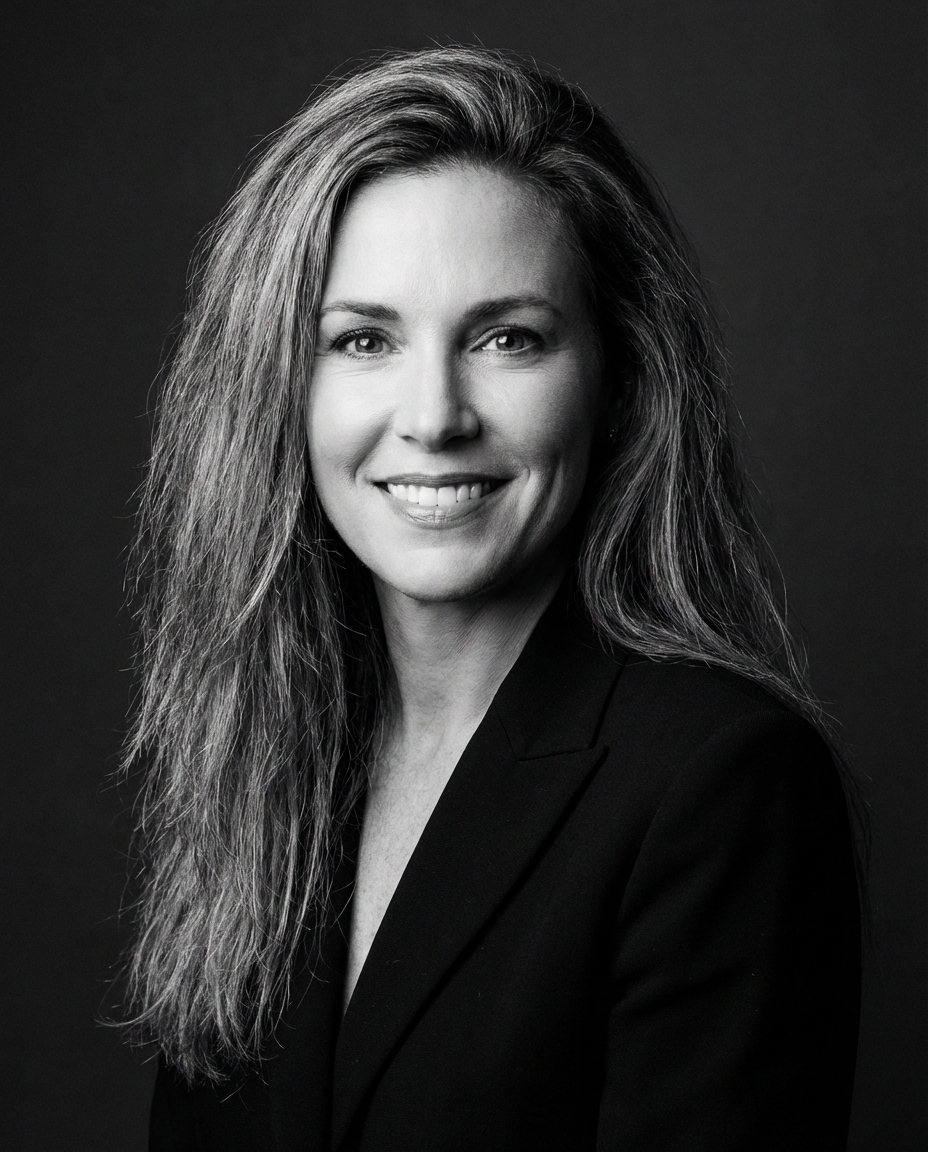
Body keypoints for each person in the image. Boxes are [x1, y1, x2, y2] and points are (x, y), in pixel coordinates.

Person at [125, 46, 861, 1151]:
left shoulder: (720, 783)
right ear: (279, 384)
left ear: (617, 380)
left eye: (506, 338)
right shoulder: (270, 753)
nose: (434, 414)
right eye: (363, 339)